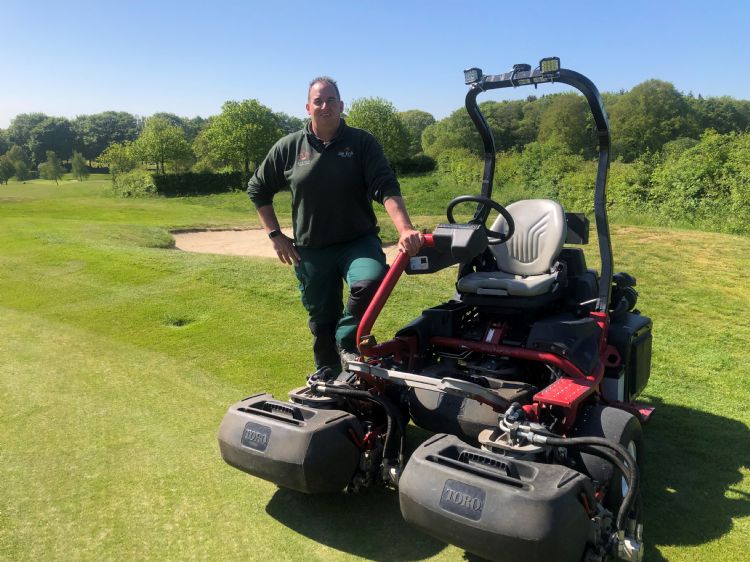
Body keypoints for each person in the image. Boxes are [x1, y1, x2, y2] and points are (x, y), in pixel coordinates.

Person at [247, 76, 424, 375]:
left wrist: (405, 228)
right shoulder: (289, 147)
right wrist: (276, 235)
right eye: (318, 101)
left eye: (331, 100)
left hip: (357, 242)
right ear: (308, 107)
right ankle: (329, 377)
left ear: (341, 105)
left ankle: (348, 342)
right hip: (312, 249)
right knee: (321, 322)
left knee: (369, 282)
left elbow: (385, 186)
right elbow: (257, 189)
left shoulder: (361, 142)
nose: (325, 106)